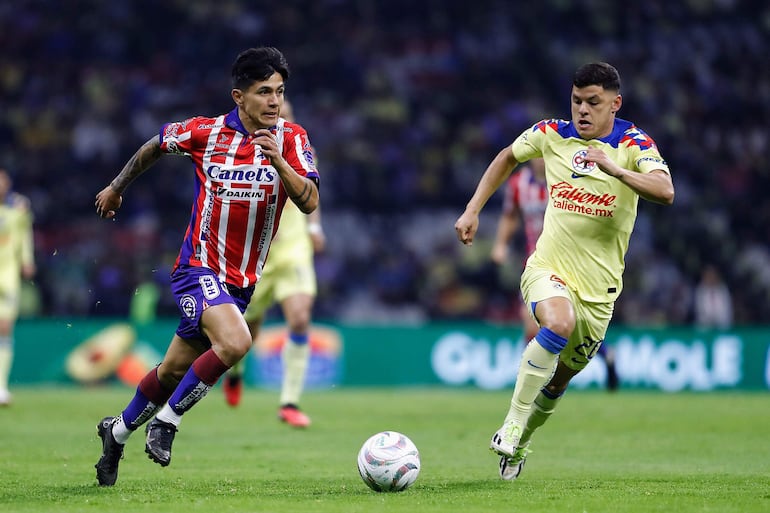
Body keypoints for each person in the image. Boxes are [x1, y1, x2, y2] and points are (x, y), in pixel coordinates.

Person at [92, 46, 320, 486]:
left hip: (241, 284)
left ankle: (115, 433)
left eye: (279, 92)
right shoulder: (205, 133)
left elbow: (310, 202)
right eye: (264, 92)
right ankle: (168, 422)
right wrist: (117, 187)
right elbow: (155, 145)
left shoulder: (293, 139)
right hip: (198, 268)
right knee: (237, 342)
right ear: (239, 96)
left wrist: (277, 160)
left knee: (173, 370)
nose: (274, 101)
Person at [455, 62, 674, 481]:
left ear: (615, 103)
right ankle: (512, 424)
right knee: (556, 321)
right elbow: (506, 157)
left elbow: (665, 191)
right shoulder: (552, 133)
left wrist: (617, 171)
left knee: (558, 383)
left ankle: (519, 444)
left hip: (600, 293)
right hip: (547, 267)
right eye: (576, 101)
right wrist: (472, 210)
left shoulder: (632, 143)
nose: (582, 111)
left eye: (593, 102)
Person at [222, 100, 326, 428]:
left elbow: (312, 192)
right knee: (246, 328)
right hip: (258, 254)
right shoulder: (244, 153)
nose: (286, 119)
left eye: (290, 114)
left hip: (294, 250)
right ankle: (236, 372)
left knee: (299, 318)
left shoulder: (300, 148)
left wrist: (314, 227)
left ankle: (290, 402)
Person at [491, 157, 619, 391]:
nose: (539, 161)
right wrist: (501, 244)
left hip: (570, 262)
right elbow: (510, 215)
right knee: (532, 323)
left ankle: (602, 353)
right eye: (535, 156)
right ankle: (532, 383)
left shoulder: (567, 179)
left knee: (572, 323)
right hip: (537, 263)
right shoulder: (518, 184)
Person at [0, 169, 36, 406]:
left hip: (6, 275)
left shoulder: (19, 206)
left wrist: (27, 260)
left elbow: (24, 235)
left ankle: (1, 386)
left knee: (4, 328)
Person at [693, 264, 733, 329]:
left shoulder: (723, 289)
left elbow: (727, 309)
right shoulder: (700, 290)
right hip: (704, 325)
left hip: (722, 324)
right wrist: (709, 320)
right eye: (708, 275)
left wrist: (720, 320)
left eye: (712, 275)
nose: (710, 278)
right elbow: (699, 310)